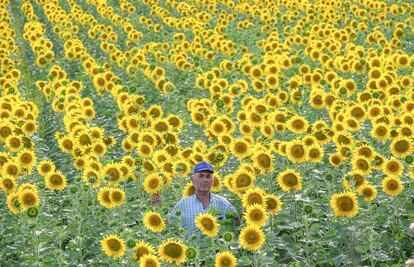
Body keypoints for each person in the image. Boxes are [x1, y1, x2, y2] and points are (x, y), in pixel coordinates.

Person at [151, 161, 240, 237]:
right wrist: (158, 207)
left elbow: (237, 224)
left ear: (213, 181)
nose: (205, 180)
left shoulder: (222, 203)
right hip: (191, 254)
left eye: (208, 176)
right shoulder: (183, 204)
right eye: (201, 176)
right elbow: (170, 226)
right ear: (193, 180)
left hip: (217, 253)